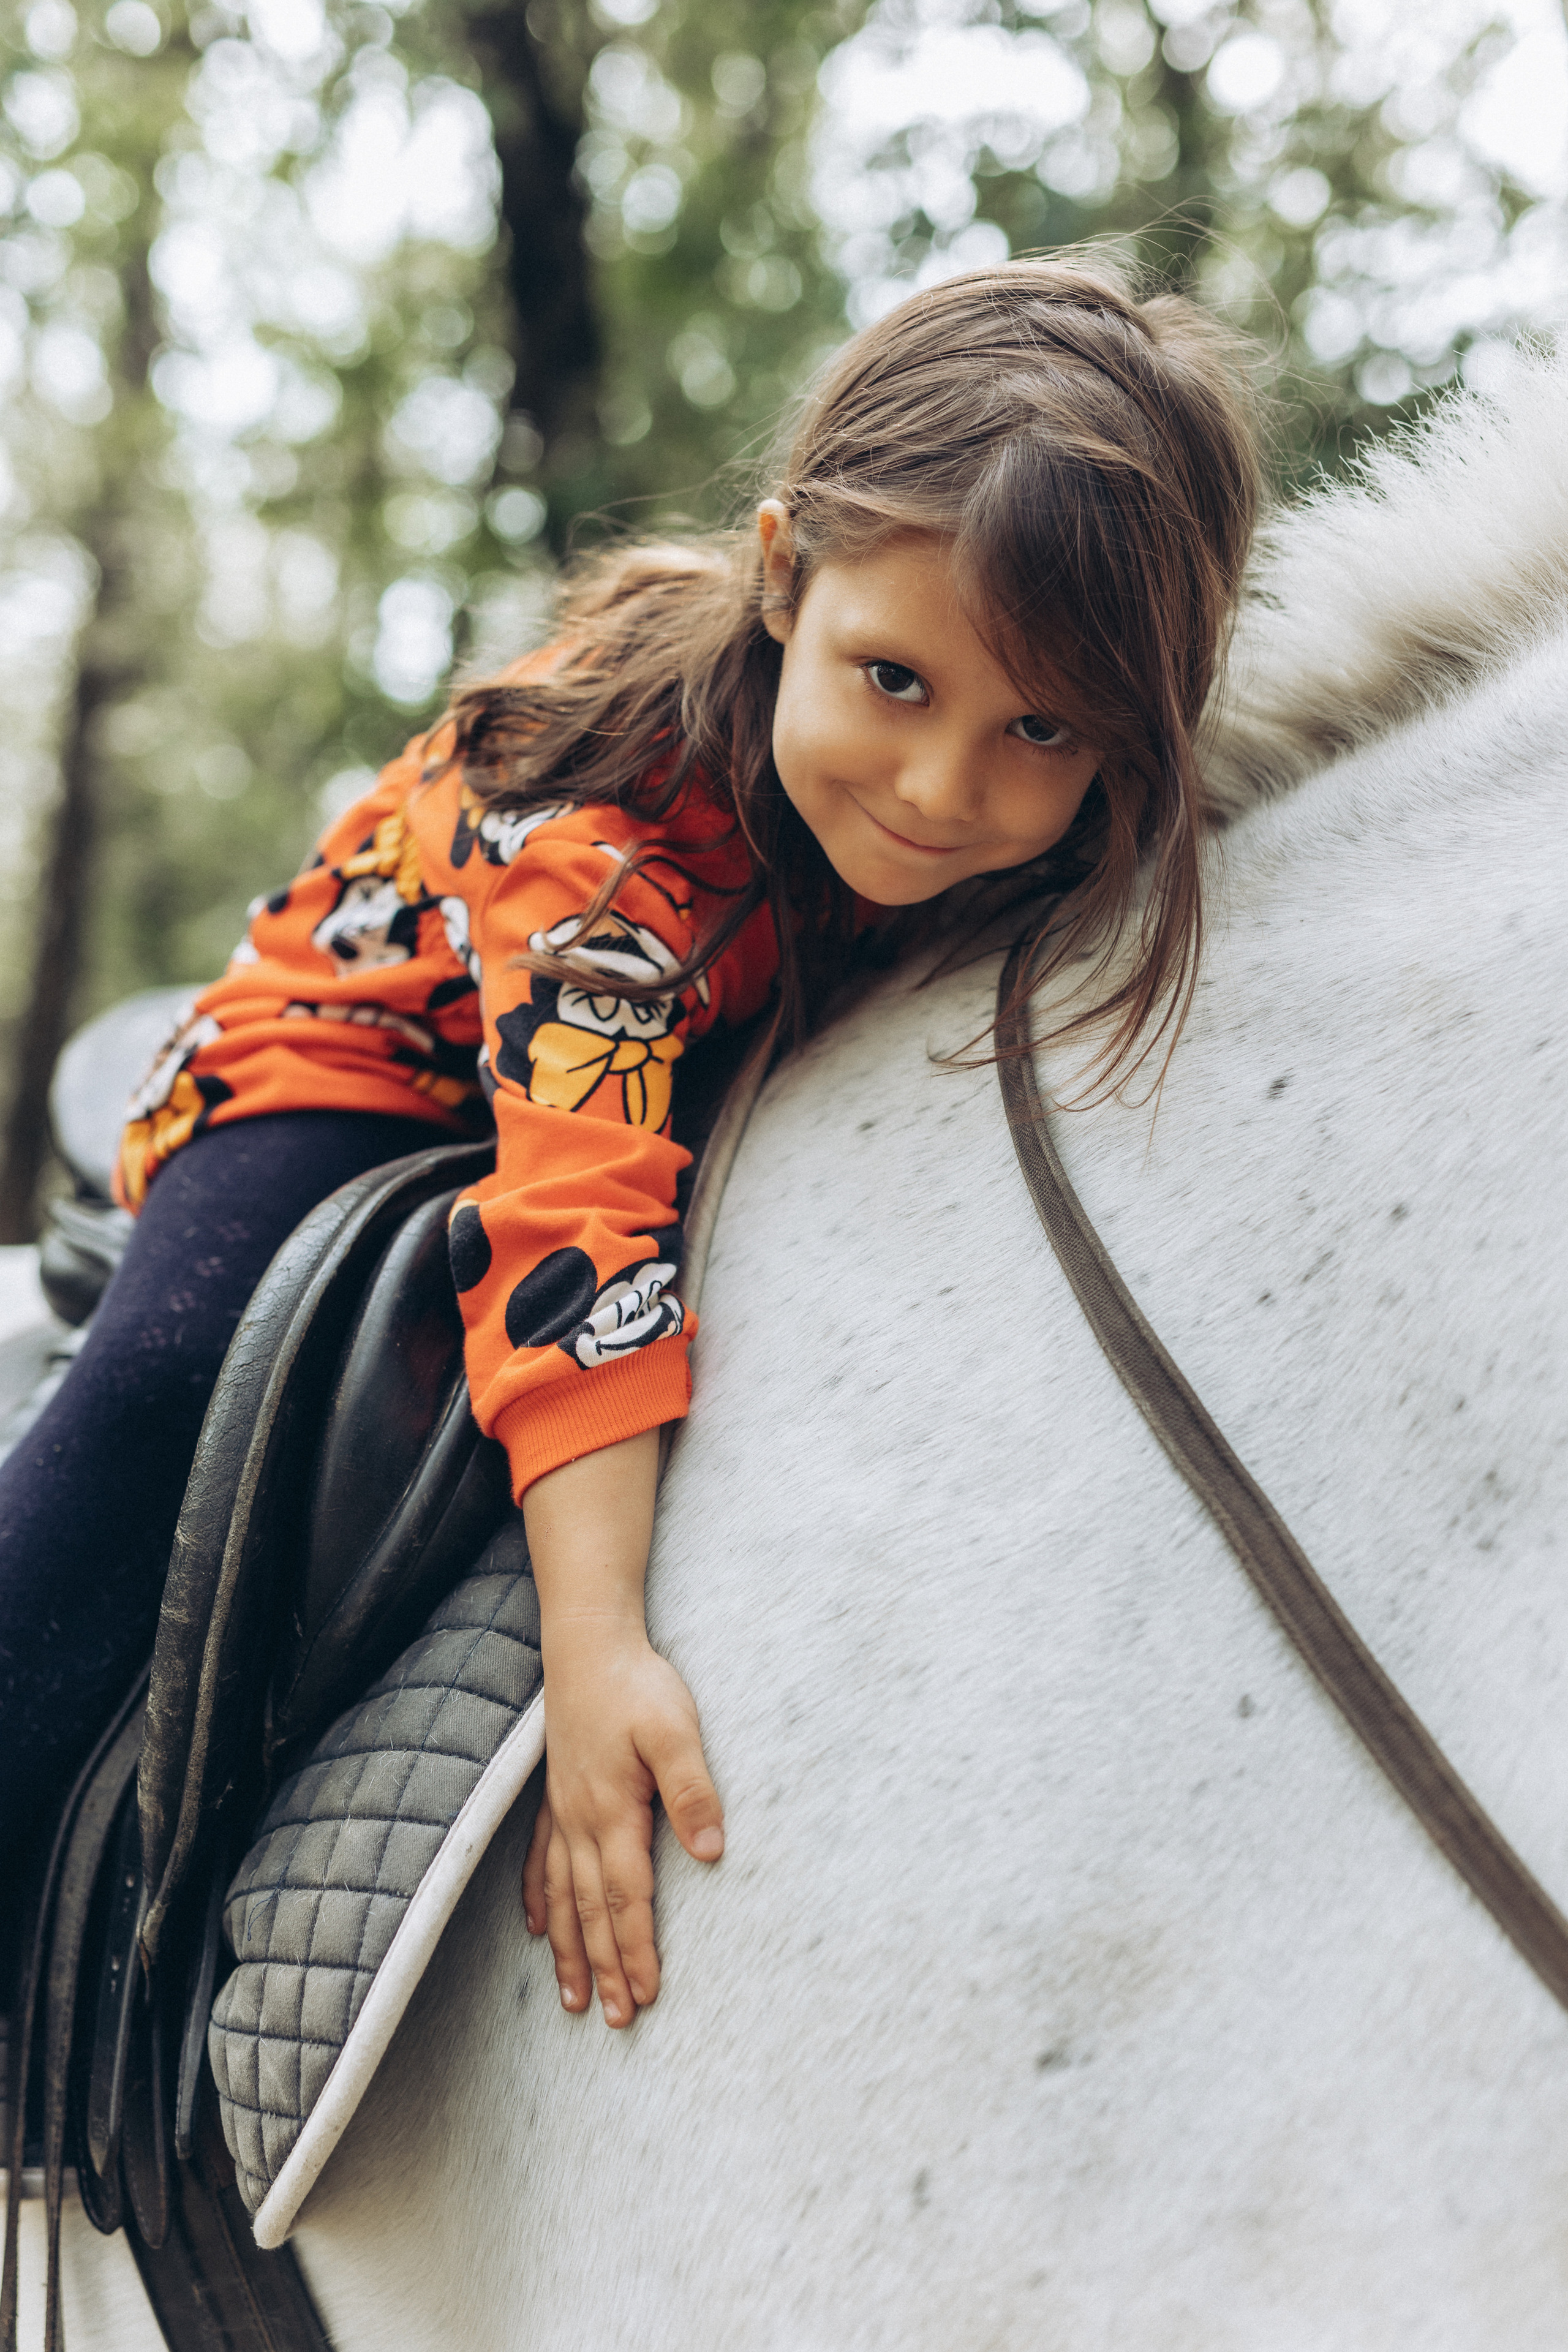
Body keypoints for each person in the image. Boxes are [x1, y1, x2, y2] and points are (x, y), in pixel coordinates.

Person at [0, 257, 1262, 2030]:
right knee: (165, 1388)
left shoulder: (1040, 817)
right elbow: (581, 1220)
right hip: (370, 1054)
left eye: (1039, 729)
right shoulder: (605, 813)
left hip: (675, 1048)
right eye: (890, 678)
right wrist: (596, 1653)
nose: (941, 788)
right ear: (780, 573)